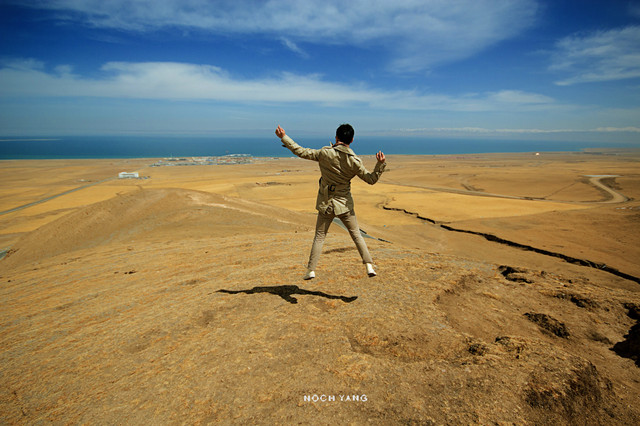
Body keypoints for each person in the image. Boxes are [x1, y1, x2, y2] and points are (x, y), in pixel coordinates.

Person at [275, 124, 386, 280]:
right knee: (356, 235)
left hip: (326, 203)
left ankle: (310, 270)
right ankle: (369, 265)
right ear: (352, 140)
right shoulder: (354, 161)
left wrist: (283, 137)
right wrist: (380, 164)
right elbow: (371, 179)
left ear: (336, 137)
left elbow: (300, 151)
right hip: (344, 205)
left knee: (320, 236)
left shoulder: (325, 153)